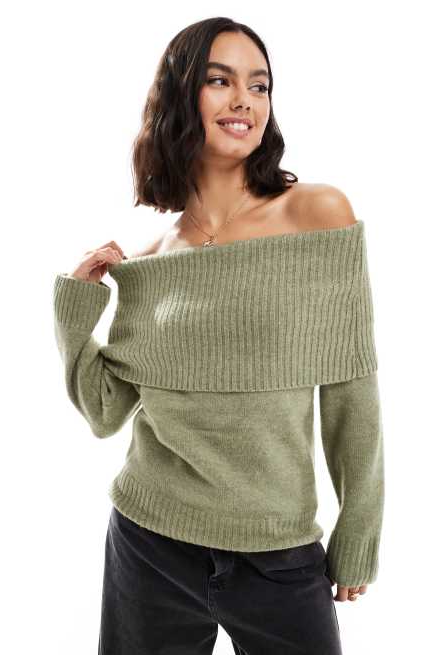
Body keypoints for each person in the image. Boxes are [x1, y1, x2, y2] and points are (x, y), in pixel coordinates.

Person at [52, 16, 384, 655]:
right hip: (148, 545)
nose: (244, 101)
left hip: (278, 552)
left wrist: (358, 530)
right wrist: (76, 309)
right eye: (219, 81)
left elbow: (352, 390)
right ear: (181, 96)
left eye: (259, 86)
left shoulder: (317, 214)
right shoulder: (154, 260)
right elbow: (104, 412)